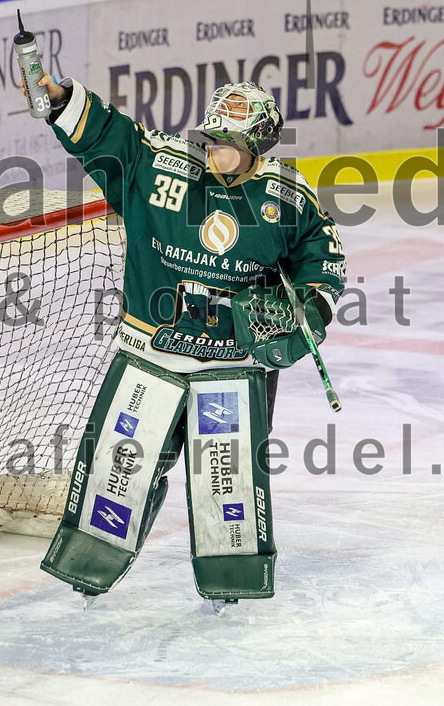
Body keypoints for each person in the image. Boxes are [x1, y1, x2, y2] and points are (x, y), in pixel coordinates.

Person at [25, 72, 345, 606]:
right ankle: (89, 561)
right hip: (151, 354)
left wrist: (307, 309)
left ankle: (231, 578)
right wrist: (61, 100)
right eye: (213, 138)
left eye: (230, 142)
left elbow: (324, 265)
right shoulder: (159, 167)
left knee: (230, 482)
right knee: (121, 466)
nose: (217, 148)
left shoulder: (290, 200)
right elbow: (111, 137)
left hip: (235, 364)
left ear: (258, 144)